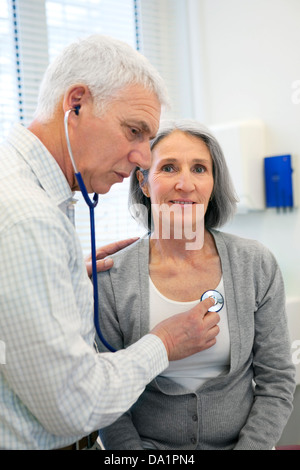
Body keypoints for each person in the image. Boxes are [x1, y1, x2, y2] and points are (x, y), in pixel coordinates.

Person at [0, 36, 220, 450]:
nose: (142, 156)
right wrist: (166, 343)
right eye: (134, 132)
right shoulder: (29, 220)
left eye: (200, 170)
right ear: (76, 102)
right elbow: (74, 406)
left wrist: (55, 279)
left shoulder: (22, 198)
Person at [96, 119, 296, 450]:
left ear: (213, 183)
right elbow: (106, 396)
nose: (185, 183)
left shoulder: (255, 264)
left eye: (199, 169)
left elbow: (277, 380)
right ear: (144, 182)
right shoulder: (112, 277)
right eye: (169, 168)